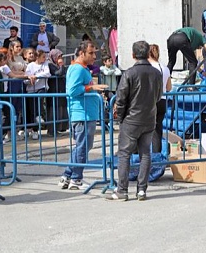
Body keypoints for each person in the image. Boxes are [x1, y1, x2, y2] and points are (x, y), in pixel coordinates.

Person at [107, 41, 163, 201]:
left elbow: (121, 98)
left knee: (124, 154)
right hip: (149, 118)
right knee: (146, 153)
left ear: (133, 55)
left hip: (131, 119)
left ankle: (122, 190)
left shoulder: (129, 73)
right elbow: (158, 96)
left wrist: (122, 116)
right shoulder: (156, 73)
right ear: (147, 54)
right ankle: (142, 190)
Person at [58, 42, 108, 191]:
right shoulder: (77, 69)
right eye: (91, 53)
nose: (94, 56)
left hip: (86, 114)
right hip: (82, 115)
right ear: (81, 53)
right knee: (82, 147)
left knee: (82, 146)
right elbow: (73, 90)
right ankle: (76, 179)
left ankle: (67, 175)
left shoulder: (82, 69)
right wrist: (91, 87)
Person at [148, 44, 172, 153]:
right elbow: (169, 87)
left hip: (149, 101)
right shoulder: (165, 68)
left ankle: (141, 158)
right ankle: (157, 156)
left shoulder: (147, 68)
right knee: (157, 130)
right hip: (162, 100)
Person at [24, 50, 51, 139]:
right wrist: (30, 79)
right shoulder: (30, 66)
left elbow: (47, 73)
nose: (45, 58)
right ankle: (34, 130)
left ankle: (39, 116)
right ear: (37, 57)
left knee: (40, 99)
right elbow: (26, 78)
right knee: (32, 110)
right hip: (31, 89)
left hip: (41, 87)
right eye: (43, 57)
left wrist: (37, 76)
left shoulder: (45, 64)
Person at [47, 49, 68, 133]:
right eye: (58, 57)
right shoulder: (50, 65)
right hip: (53, 89)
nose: (60, 59)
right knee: (54, 110)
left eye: (60, 57)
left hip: (61, 89)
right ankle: (52, 130)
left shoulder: (59, 65)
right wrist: (61, 65)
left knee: (61, 108)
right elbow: (57, 73)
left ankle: (61, 128)